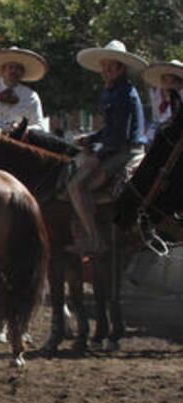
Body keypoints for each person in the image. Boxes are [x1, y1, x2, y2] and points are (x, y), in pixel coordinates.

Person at [67, 40, 149, 254]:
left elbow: (120, 136)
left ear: (121, 68)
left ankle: (95, 239)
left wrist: (99, 154)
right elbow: (110, 129)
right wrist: (92, 138)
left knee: (76, 186)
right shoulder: (110, 91)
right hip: (116, 147)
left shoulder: (124, 93)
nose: (106, 71)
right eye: (104, 66)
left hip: (126, 151)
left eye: (111, 67)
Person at [143, 60, 183, 140]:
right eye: (165, 80)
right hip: (154, 137)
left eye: (173, 81)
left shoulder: (180, 100)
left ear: (180, 83)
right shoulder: (155, 93)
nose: (168, 85)